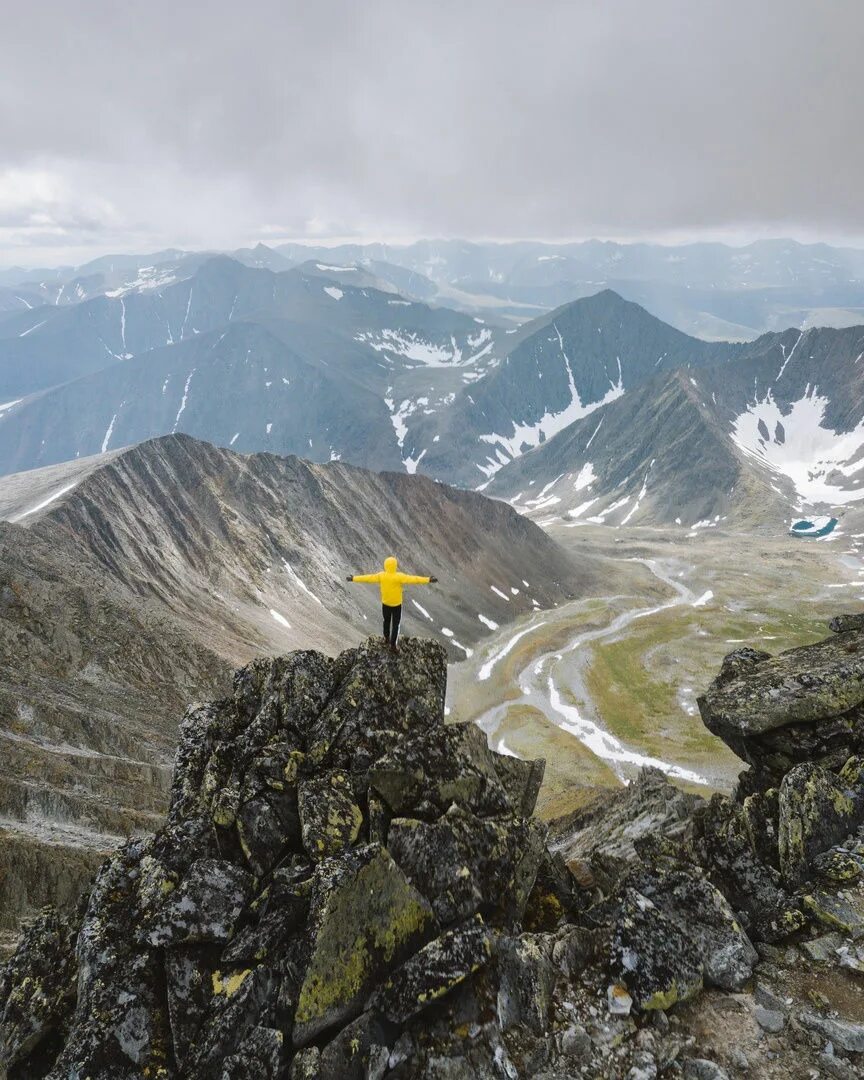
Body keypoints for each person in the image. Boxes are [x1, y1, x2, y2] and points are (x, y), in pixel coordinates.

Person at [346, 556, 438, 651]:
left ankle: (386, 639)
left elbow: (367, 578)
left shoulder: (381, 575)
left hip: (385, 604)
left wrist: (353, 578)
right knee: (395, 625)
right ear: (395, 566)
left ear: (386, 565)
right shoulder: (399, 576)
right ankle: (393, 645)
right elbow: (414, 579)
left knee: (386, 621)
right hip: (396, 605)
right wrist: (428, 579)